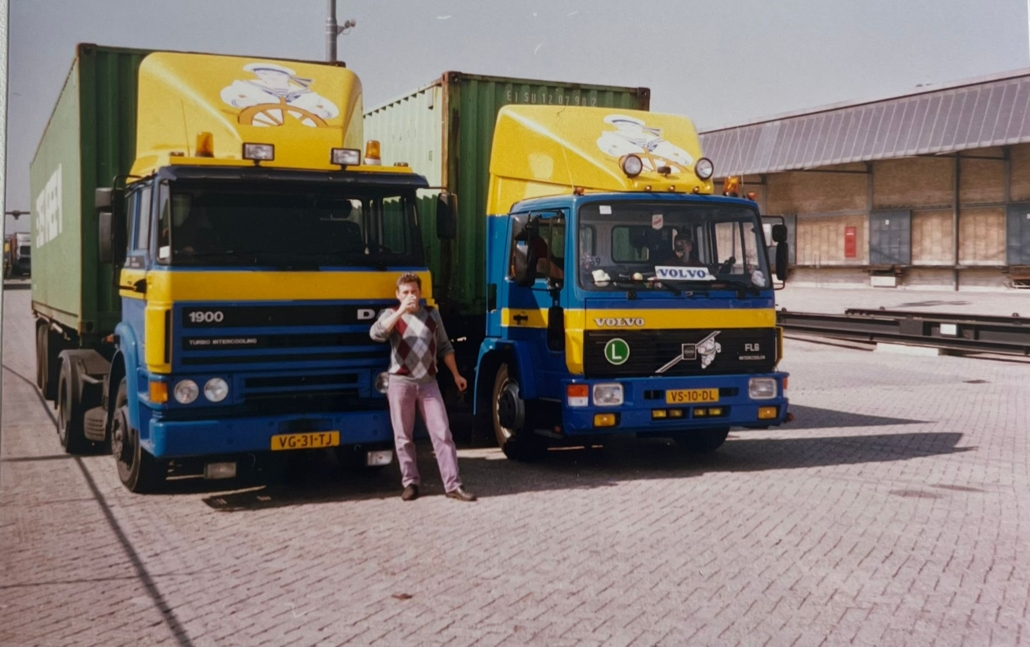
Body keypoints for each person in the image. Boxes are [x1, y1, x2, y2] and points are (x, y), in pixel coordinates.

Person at [369, 273, 476, 502]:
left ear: (421, 293)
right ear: (398, 295)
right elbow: (376, 333)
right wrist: (400, 311)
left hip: (429, 383)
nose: (410, 296)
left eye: (414, 291)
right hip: (401, 383)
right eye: (405, 292)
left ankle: (453, 485)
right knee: (403, 436)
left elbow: (445, 346)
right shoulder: (390, 314)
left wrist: (456, 374)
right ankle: (410, 483)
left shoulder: (431, 314)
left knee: (442, 433)